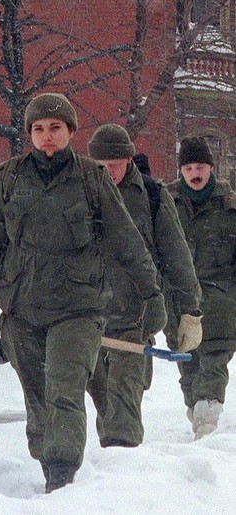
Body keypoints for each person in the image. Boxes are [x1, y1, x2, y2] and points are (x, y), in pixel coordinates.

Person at [0, 93, 167, 493]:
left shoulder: (92, 178)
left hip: (78, 309)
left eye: (55, 128)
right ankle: (49, 463)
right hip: (22, 308)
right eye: (38, 129)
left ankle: (62, 475)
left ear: (70, 131)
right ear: (30, 135)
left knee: (65, 391)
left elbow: (127, 242)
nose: (47, 136)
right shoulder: (9, 178)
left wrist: (151, 295)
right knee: (38, 400)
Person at [87, 124, 202, 448]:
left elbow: (176, 255)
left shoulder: (151, 196)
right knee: (104, 397)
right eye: (101, 167)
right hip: (87, 315)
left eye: (115, 165)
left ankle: (122, 463)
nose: (108, 173)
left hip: (133, 314)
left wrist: (190, 311)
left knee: (124, 396)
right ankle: (110, 463)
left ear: (128, 159)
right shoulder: (78, 193)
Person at [165, 136, 236, 440]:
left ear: (211, 168)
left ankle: (207, 424)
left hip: (220, 304)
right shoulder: (166, 205)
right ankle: (198, 415)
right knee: (188, 370)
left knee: (213, 366)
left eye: (201, 167)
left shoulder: (230, 207)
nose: (195, 173)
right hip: (179, 305)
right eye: (189, 167)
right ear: (181, 170)